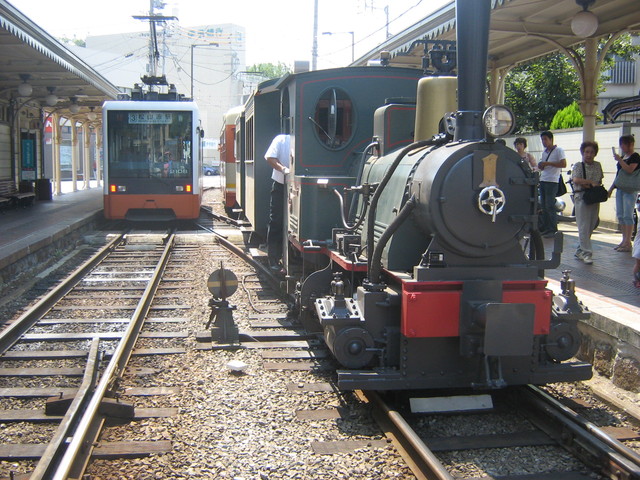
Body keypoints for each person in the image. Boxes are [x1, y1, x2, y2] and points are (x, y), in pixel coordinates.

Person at [571, 141, 603, 265]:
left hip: (594, 198)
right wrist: (589, 182)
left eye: (591, 152)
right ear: (582, 153)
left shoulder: (597, 165)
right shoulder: (578, 165)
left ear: (595, 154)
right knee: (583, 226)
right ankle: (586, 253)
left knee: (591, 224)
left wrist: (586, 183)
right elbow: (576, 180)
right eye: (586, 152)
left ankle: (580, 250)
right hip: (581, 197)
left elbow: (598, 181)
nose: (589, 155)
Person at [608, 135, 640, 252]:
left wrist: (620, 160)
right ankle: (623, 240)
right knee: (621, 215)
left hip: (630, 189)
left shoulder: (635, 157)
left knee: (628, 215)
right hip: (620, 188)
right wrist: (611, 188)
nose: (624, 147)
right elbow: (619, 175)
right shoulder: (623, 157)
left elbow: (630, 170)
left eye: (625, 144)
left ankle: (628, 242)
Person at [264, 133, 291, 271]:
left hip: (299, 186)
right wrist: (283, 169)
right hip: (281, 184)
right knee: (276, 221)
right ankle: (273, 258)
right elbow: (269, 157)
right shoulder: (281, 139)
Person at [538, 130, 567, 238]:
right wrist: (542, 165)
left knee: (550, 205)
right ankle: (546, 228)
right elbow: (543, 166)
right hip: (543, 179)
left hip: (552, 181)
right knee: (544, 206)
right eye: (542, 140)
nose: (544, 142)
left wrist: (548, 163)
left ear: (551, 139)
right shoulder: (544, 152)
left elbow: (563, 164)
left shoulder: (559, 150)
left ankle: (553, 229)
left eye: (545, 139)